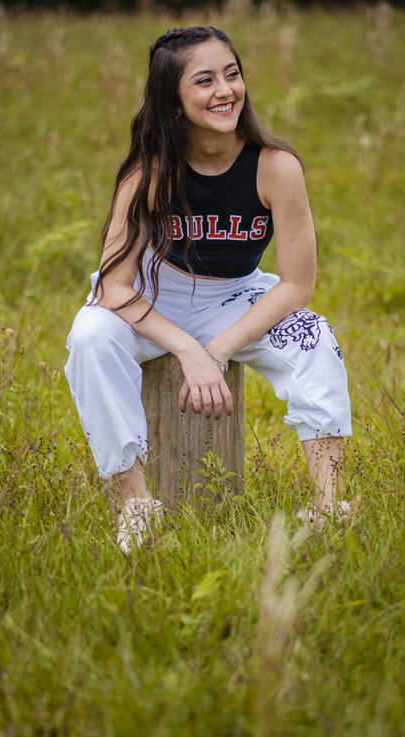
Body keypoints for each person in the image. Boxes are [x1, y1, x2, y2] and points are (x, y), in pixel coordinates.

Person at [64, 26, 352, 552]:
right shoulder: (150, 174)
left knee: (314, 336)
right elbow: (114, 286)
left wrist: (216, 348)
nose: (225, 90)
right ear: (173, 101)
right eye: (204, 80)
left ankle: (329, 505)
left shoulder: (275, 167)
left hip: (236, 295)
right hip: (154, 295)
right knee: (90, 338)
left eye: (232, 74)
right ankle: (137, 504)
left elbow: (297, 285)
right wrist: (185, 348)